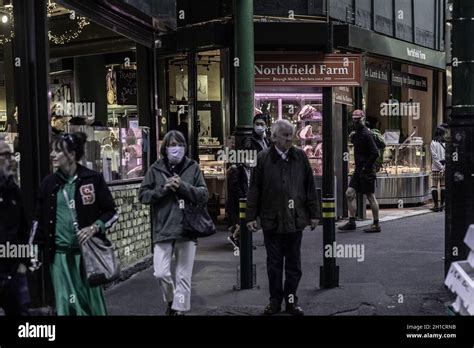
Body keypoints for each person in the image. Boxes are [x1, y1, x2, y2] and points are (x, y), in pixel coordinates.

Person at [32, 133, 119, 315]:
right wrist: (33, 250)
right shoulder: (48, 184)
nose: (53, 155)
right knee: (66, 304)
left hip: (87, 258)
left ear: (71, 155)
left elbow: (112, 212)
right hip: (59, 258)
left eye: (58, 151)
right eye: (52, 151)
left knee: (91, 305)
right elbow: (38, 221)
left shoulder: (92, 179)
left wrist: (94, 227)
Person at [246, 120, 320, 316]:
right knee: (274, 265)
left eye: (291, 135)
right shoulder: (263, 159)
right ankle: (274, 301)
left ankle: (291, 300)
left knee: (294, 265)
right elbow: (254, 189)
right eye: (285, 135)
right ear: (274, 137)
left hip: (295, 220)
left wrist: (314, 215)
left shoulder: (300, 157)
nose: (289, 139)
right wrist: (250, 216)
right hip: (272, 220)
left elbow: (309, 187)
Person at [139, 130, 208, 316]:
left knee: (183, 275)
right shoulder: (155, 169)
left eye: (179, 144)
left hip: (187, 228)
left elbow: (203, 195)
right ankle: (171, 300)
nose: (175, 148)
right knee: (161, 273)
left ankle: (179, 310)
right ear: (165, 148)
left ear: (185, 147)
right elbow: (143, 196)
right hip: (163, 227)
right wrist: (163, 189)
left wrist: (182, 187)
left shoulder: (193, 167)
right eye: (172, 145)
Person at [0, 141, 31, 315]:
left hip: (13, 269)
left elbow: (24, 230)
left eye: (11, 155)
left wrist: (23, 264)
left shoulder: (13, 191)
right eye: (5, 155)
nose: (11, 160)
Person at [339, 109, 381, 233]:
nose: (356, 121)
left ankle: (376, 224)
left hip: (366, 171)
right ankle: (352, 221)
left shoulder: (366, 134)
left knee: (370, 196)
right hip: (359, 171)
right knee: (349, 193)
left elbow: (375, 153)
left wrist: (365, 167)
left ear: (362, 119)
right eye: (354, 118)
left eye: (358, 119)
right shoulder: (357, 133)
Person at [430, 126, 446, 212]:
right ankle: (442, 205)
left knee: (434, 186)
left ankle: (436, 205)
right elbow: (447, 155)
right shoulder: (445, 143)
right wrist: (443, 167)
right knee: (443, 186)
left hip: (436, 168)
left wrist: (439, 166)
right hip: (444, 166)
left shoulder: (433, 143)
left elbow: (434, 157)